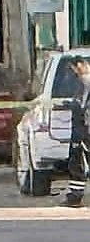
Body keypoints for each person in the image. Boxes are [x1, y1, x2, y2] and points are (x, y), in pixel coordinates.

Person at [63, 58, 90, 207]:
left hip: (83, 129)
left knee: (77, 162)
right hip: (83, 128)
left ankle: (75, 197)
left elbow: (82, 106)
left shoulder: (85, 81)